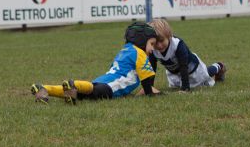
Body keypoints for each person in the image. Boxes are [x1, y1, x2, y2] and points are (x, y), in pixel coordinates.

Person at [30, 22, 159, 104]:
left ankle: (44, 89)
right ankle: (73, 85)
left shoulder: (125, 50)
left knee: (81, 95)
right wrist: (152, 93)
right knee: (93, 92)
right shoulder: (140, 53)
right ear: (142, 40)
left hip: (103, 80)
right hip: (110, 87)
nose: (153, 49)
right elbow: (147, 80)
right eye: (151, 44)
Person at [147, 18, 226, 92]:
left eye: (161, 41)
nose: (159, 45)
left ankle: (219, 66)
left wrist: (185, 88)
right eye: (156, 42)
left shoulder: (177, 45)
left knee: (205, 76)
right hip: (175, 72)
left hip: (192, 68)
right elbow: (151, 68)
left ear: (168, 36)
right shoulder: (152, 48)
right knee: (176, 87)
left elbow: (183, 66)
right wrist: (149, 87)